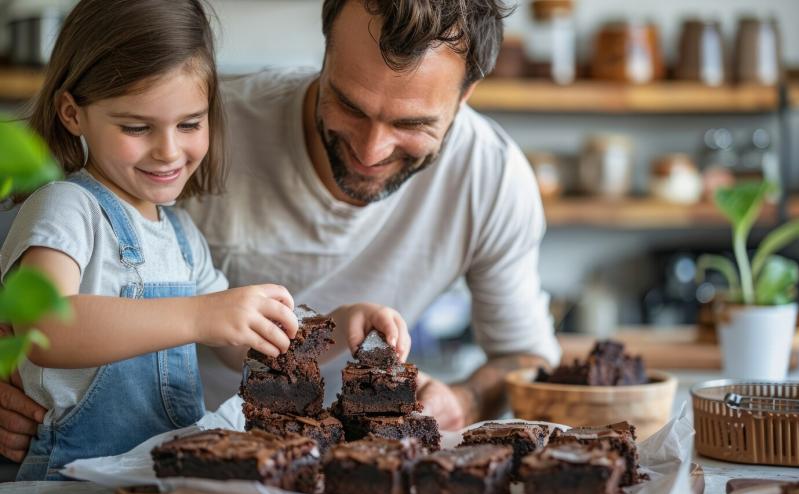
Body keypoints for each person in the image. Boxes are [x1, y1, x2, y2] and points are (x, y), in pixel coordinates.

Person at [0, 0, 561, 464]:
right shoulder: (93, 192)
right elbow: (41, 321)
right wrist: (202, 313)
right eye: (350, 105)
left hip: (172, 469)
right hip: (70, 470)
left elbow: (240, 347)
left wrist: (338, 327)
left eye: (410, 124)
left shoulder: (180, 233)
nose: (370, 151)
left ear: (465, 97)